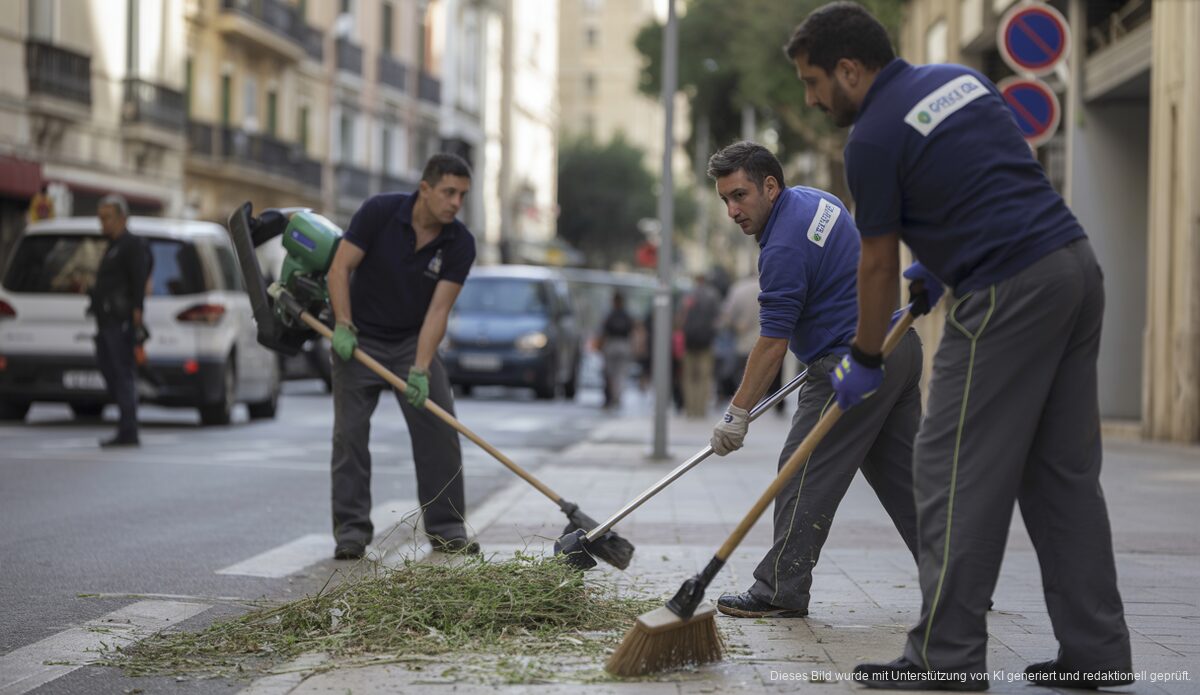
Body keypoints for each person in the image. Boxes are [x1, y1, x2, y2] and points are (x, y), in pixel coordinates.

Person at [787, 3, 1132, 689]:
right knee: (1061, 473)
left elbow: (876, 265)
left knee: (948, 470)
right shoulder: (962, 81)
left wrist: (865, 357)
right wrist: (939, 263)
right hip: (1073, 267)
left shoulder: (870, 139)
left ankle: (944, 658)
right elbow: (995, 180)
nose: (812, 99)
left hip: (1006, 290)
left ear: (849, 69)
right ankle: (1097, 647)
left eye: (813, 82)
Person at [706, 141, 923, 620]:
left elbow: (772, 343)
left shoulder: (782, 247)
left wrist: (737, 414)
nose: (732, 211)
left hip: (851, 365)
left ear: (770, 186)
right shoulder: (816, 200)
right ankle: (962, 579)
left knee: (801, 471)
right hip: (898, 348)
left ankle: (779, 589)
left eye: (740, 196)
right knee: (909, 481)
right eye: (725, 200)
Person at [325, 153, 479, 561]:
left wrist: (421, 368)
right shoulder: (379, 213)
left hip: (412, 341)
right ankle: (351, 531)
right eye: (449, 192)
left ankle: (447, 529)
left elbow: (438, 311)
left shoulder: (459, 243)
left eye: (462, 195)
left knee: (439, 430)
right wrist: (343, 324)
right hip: (359, 338)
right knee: (349, 436)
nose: (456, 203)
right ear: (425, 189)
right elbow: (339, 269)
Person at [90, 194, 149, 448]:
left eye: (107, 217)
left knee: (123, 373)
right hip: (106, 320)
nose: (103, 223)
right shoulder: (112, 246)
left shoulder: (131, 245)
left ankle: (128, 429)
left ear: (122, 218)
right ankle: (126, 422)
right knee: (110, 370)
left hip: (120, 320)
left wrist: (137, 311)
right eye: (100, 218)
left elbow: (139, 279)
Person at [679, 274, 720, 418]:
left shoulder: (687, 295)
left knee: (689, 377)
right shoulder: (713, 295)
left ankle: (690, 409)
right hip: (706, 342)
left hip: (689, 341)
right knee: (704, 376)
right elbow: (717, 319)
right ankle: (701, 410)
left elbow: (680, 318)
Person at [598, 291, 635, 409]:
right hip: (623, 345)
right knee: (619, 374)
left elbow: (604, 331)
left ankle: (613, 397)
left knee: (611, 373)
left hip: (613, 344)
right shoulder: (626, 315)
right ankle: (616, 396)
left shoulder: (610, 315)